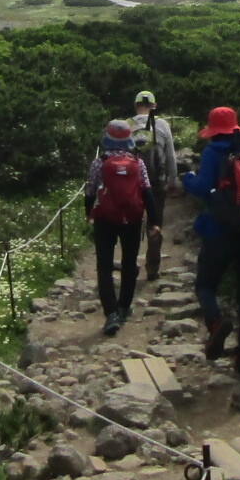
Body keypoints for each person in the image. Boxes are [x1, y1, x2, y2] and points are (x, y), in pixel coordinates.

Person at [183, 104, 240, 376]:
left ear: (212, 131)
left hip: (219, 232)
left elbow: (200, 188)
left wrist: (186, 177)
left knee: (206, 284)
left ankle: (215, 322)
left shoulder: (212, 153)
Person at [85, 119, 149, 336]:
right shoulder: (137, 161)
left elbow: (90, 191)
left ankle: (110, 312)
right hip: (131, 218)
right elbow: (146, 191)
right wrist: (155, 221)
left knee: (104, 265)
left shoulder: (99, 162)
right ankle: (124, 308)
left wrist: (88, 213)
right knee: (130, 263)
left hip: (105, 218)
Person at [129, 89, 178, 280]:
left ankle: (130, 264)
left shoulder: (127, 125)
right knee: (155, 223)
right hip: (157, 183)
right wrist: (173, 181)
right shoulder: (162, 125)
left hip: (133, 184)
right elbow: (171, 155)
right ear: (154, 106)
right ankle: (152, 268)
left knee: (132, 225)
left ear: (135, 105)